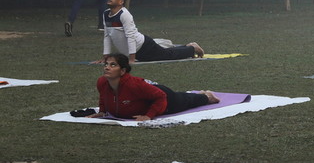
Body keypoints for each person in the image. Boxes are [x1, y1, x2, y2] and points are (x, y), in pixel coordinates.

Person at [80, 53, 220, 121]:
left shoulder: (134, 85)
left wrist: (148, 116)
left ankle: (206, 96)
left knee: (186, 100)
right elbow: (104, 97)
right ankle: (199, 94)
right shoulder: (102, 82)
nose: (107, 68)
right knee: (184, 96)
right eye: (106, 64)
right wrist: (103, 112)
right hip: (149, 93)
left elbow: (160, 96)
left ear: (122, 71)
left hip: (164, 97)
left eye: (112, 65)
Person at [99, 0, 203, 64]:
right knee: (165, 52)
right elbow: (107, 36)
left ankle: (192, 48)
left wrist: (131, 59)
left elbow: (130, 37)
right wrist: (105, 58)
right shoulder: (105, 14)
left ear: (121, 2)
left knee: (168, 56)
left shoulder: (124, 14)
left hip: (144, 47)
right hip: (137, 51)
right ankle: (188, 46)